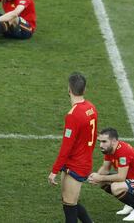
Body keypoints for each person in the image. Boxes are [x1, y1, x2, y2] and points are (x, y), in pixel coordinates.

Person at [48, 72, 98, 223]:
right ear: (84, 89)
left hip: (76, 165)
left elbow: (66, 147)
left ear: (69, 89)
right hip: (83, 160)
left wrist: (54, 171)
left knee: (69, 207)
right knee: (69, 202)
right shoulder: (91, 107)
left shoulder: (73, 115)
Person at [88, 128, 134, 221]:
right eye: (100, 141)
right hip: (131, 181)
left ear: (114, 141)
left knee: (116, 187)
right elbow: (105, 168)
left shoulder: (123, 152)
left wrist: (100, 177)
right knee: (103, 182)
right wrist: (95, 177)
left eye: (104, 141)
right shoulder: (109, 149)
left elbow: (121, 177)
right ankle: (131, 204)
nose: (101, 145)